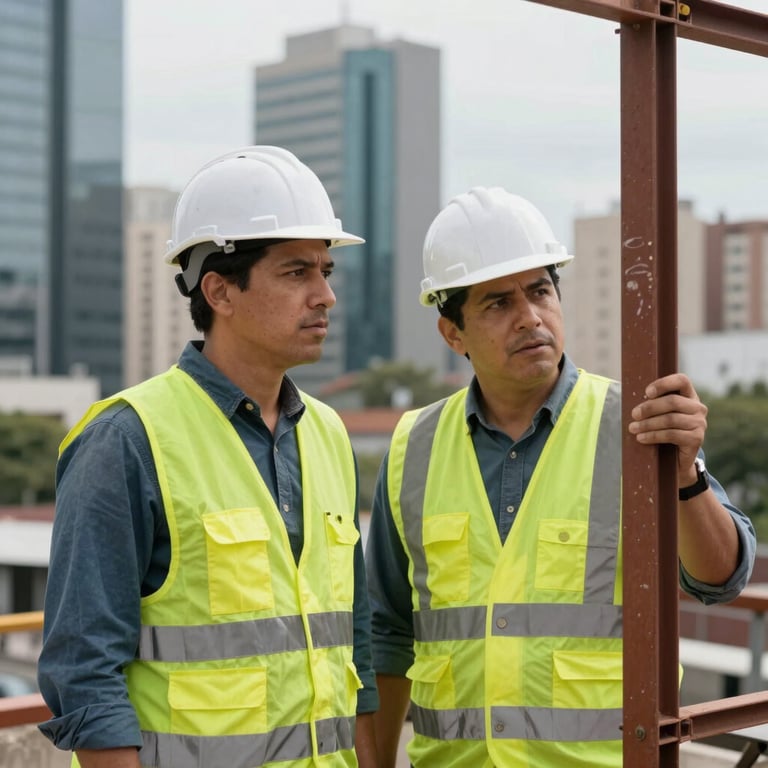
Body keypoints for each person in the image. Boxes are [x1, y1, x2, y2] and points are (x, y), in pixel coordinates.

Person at [364, 187, 756, 768]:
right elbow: (389, 630)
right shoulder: (412, 447)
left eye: (541, 291)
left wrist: (686, 475)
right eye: (498, 303)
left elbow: (720, 578)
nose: (530, 318)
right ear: (453, 333)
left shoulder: (637, 426)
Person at [38, 146, 379, 768]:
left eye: (326, 271)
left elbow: (350, 648)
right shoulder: (126, 439)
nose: (325, 295)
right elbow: (84, 673)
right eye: (296, 272)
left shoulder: (329, 435)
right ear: (219, 291)